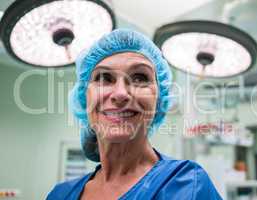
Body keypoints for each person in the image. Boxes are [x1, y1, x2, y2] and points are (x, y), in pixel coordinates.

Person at [47, 29, 222, 200]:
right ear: (84, 97)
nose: (121, 93)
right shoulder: (60, 195)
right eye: (104, 78)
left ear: (159, 99)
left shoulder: (186, 186)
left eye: (140, 77)